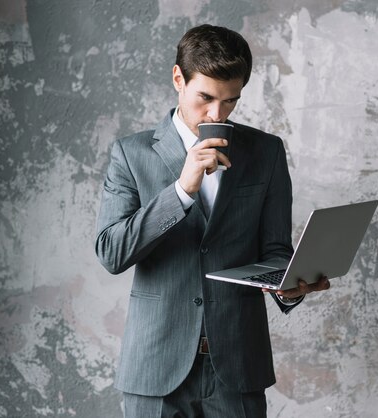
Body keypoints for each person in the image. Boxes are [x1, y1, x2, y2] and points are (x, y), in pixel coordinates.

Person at [95, 24, 330, 418]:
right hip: (155, 368)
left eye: (231, 101)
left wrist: (290, 288)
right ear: (178, 79)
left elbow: (275, 252)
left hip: (237, 368)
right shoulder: (131, 154)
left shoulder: (266, 152)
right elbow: (111, 252)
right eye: (205, 97)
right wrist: (181, 191)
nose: (216, 114)